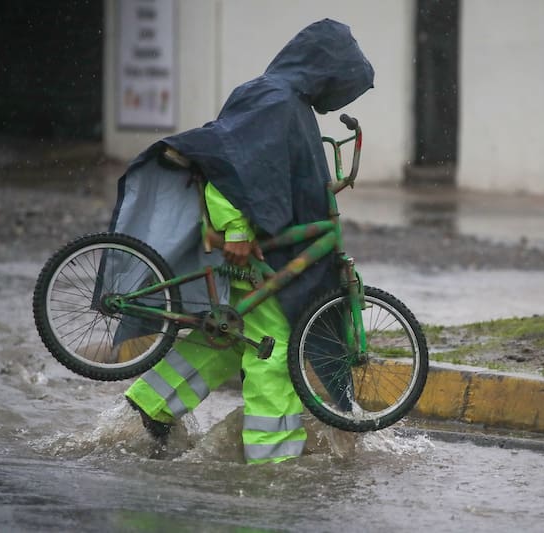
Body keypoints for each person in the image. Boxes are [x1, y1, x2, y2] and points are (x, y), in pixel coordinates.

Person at [109, 19, 374, 464]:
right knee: (276, 348)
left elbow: (271, 168)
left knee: (231, 339)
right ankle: (273, 462)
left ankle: (150, 407)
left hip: (267, 245)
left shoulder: (283, 97)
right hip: (258, 248)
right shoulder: (277, 100)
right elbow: (229, 162)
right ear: (325, 70)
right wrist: (235, 229)